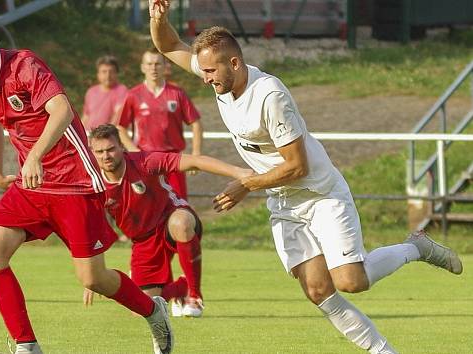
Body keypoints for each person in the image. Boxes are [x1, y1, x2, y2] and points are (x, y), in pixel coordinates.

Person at [148, 1, 463, 353]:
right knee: (317, 291)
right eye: (202, 70)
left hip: (320, 194)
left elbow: (298, 167)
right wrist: (157, 19)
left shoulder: (269, 95)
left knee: (351, 281)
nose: (204, 78)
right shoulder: (220, 77)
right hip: (284, 201)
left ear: (234, 63)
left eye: (209, 71)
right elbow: (169, 45)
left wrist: (245, 184)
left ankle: (414, 247)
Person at [0, 16, 173, 354]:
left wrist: (35, 155)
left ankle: (152, 310)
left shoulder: (25, 65)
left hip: (74, 182)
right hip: (32, 186)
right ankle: (27, 345)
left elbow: (62, 110)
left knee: (92, 279)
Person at [85, 124, 252, 318]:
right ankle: (179, 288)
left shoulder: (145, 162)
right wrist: (94, 275)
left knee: (181, 224)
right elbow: (92, 227)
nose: (106, 155)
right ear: (92, 153)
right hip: (142, 241)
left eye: (111, 149)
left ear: (122, 146)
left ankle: (194, 294)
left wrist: (240, 173)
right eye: (100, 151)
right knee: (141, 310)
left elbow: (195, 162)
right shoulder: (93, 183)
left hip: (170, 219)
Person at [116, 47, 203, 199]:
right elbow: (120, 127)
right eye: (149, 64)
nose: (153, 68)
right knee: (148, 209)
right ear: (143, 67)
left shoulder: (177, 93)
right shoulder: (133, 95)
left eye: (157, 64)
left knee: (180, 208)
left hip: (174, 160)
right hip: (145, 160)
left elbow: (195, 123)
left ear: (165, 67)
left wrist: (196, 153)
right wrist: (133, 150)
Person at [82, 55, 128, 131]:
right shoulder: (91, 91)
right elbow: (86, 115)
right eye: (104, 72)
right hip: (88, 134)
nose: (108, 75)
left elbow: (118, 115)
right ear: (98, 74)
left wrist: (107, 133)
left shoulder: (122, 90)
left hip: (107, 135)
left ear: (116, 73)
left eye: (111, 72)